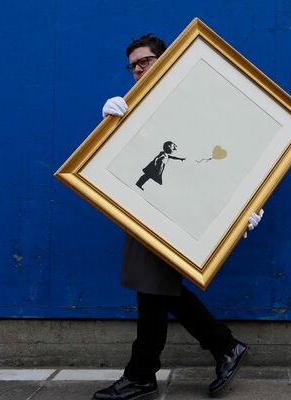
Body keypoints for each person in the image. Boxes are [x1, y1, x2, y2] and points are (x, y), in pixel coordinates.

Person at [93, 33, 265, 400]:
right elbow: (119, 160)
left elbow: (225, 154)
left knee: (154, 289)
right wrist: (108, 126)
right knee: (157, 290)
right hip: (145, 211)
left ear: (166, 58)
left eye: (146, 61)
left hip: (181, 212)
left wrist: (250, 205)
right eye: (133, 65)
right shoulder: (132, 106)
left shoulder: (192, 100)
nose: (138, 69)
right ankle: (221, 348)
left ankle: (145, 375)